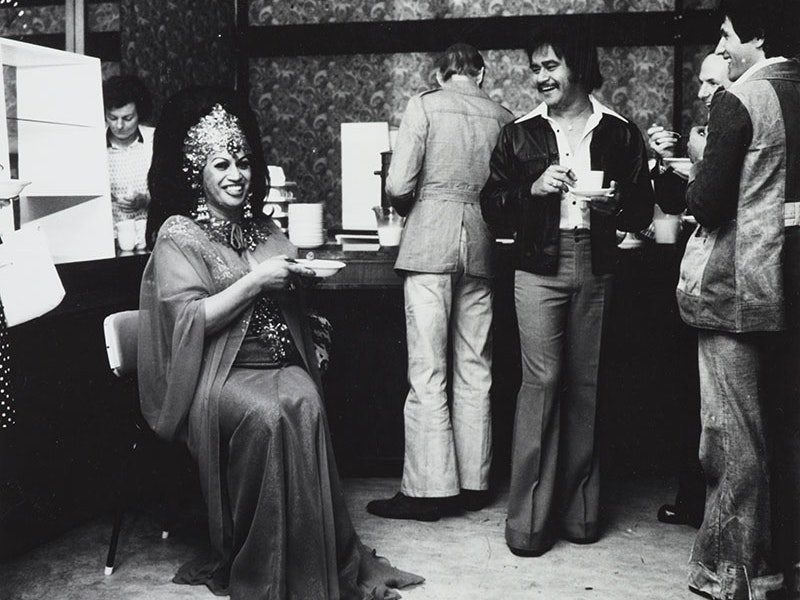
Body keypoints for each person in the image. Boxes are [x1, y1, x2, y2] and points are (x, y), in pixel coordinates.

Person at [138, 85, 423, 599]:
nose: (236, 175)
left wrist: (308, 317)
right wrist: (254, 283)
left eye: (243, 163)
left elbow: (295, 308)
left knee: (306, 401)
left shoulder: (263, 228)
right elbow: (187, 322)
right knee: (267, 416)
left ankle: (310, 561)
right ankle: (262, 568)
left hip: (278, 365)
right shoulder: (178, 235)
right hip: (217, 376)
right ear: (195, 172)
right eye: (221, 163)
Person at [480, 22, 654, 557]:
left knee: (584, 386)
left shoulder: (620, 132)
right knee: (541, 383)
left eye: (549, 66)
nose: (539, 78)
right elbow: (492, 204)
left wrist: (615, 203)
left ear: (577, 65)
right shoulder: (519, 132)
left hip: (595, 262)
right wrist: (531, 191)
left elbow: (642, 211)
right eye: (534, 68)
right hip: (536, 266)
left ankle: (580, 515)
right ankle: (528, 523)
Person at [674, 1, 800, 597]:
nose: (722, 46)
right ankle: (747, 562)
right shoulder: (795, 87)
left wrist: (697, 162)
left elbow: (707, 205)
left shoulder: (740, 99)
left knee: (729, 435)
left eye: (727, 33)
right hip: (785, 280)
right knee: (776, 430)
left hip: (733, 285)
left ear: (757, 34)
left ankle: (740, 572)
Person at [365, 43, 514, 523]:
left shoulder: (424, 104)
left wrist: (418, 204)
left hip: (430, 239)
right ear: (483, 73)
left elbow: (398, 184)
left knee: (427, 367)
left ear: (439, 73)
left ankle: (429, 491)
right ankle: (474, 483)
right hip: (484, 243)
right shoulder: (504, 116)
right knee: (477, 365)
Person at [645, 52, 731, 530]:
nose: (701, 93)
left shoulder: (737, 130)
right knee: (688, 391)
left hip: (724, 273)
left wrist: (693, 165)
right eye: (699, 83)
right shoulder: (709, 131)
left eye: (710, 84)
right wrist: (665, 163)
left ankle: (706, 502)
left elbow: (713, 200)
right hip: (694, 273)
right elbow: (676, 201)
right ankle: (693, 495)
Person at [103, 75, 154, 232]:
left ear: (139, 114)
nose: (119, 125)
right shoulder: (95, 146)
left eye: (127, 118)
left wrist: (146, 200)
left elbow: (170, 190)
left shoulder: (154, 139)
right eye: (112, 118)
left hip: (147, 232)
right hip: (108, 233)